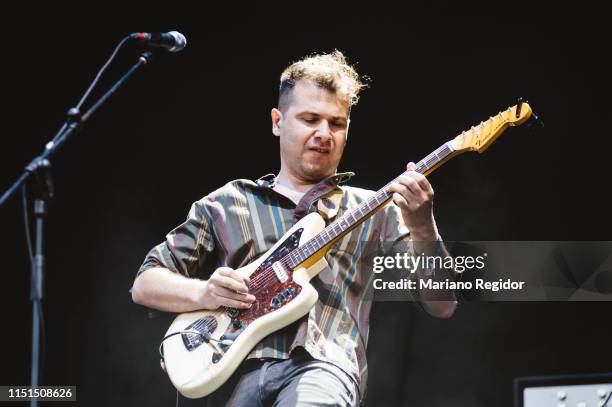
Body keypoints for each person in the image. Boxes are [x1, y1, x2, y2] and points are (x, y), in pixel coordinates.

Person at [131, 50, 457, 406]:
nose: (324, 133)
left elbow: (442, 304)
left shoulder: (375, 207)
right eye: (310, 119)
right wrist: (204, 293)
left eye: (336, 123)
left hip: (324, 367)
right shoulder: (227, 203)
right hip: (230, 372)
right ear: (277, 121)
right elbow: (145, 284)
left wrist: (423, 225)